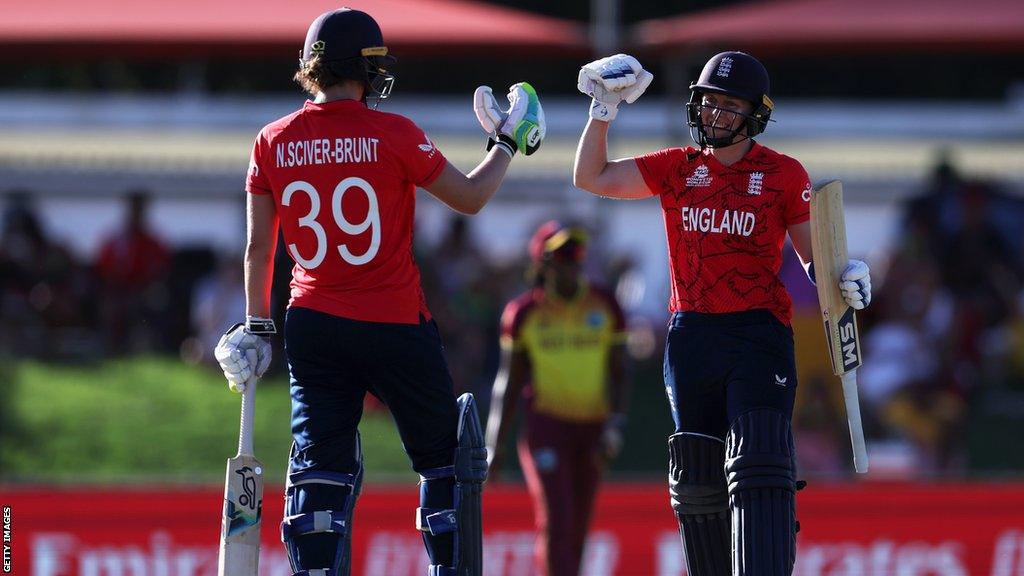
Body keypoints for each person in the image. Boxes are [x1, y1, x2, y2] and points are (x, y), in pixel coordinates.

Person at [212, 8, 545, 576]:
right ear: (362, 68)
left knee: (319, 467)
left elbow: (258, 252)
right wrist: (507, 145)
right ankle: (449, 563)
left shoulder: (271, 141)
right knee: (444, 461)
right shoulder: (395, 132)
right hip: (393, 321)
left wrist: (256, 325)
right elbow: (469, 198)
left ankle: (313, 565)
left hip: (312, 322)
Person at [573, 52, 873, 575]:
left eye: (729, 106)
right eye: (709, 103)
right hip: (691, 336)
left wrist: (845, 275)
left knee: (759, 462)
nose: (714, 115)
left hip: (759, 332)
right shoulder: (676, 166)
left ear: (755, 113)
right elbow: (591, 176)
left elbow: (812, 258)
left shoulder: (782, 174)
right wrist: (602, 111)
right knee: (697, 476)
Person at [485, 221, 629, 576]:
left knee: (578, 525)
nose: (573, 262)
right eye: (564, 254)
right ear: (542, 263)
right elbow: (509, 382)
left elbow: (621, 372)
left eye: (577, 254)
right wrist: (493, 446)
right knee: (557, 517)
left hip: (592, 430)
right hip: (546, 428)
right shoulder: (524, 314)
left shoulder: (604, 303)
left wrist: (615, 424)